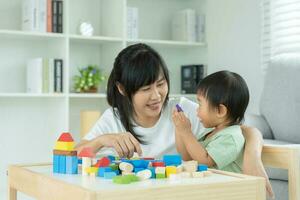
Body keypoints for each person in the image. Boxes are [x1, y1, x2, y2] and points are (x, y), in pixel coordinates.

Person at [75, 43, 273, 197]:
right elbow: (73, 154)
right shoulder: (114, 118)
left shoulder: (182, 110)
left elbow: (239, 127)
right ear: (123, 89)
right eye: (145, 89)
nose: (156, 96)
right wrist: (103, 140)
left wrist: (253, 156)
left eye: (160, 84)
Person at [172, 70, 249, 173]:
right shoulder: (210, 133)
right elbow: (187, 157)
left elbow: (204, 161)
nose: (197, 110)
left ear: (220, 110)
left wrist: (187, 132)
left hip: (227, 188)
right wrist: (180, 129)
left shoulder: (231, 137)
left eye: (200, 104)